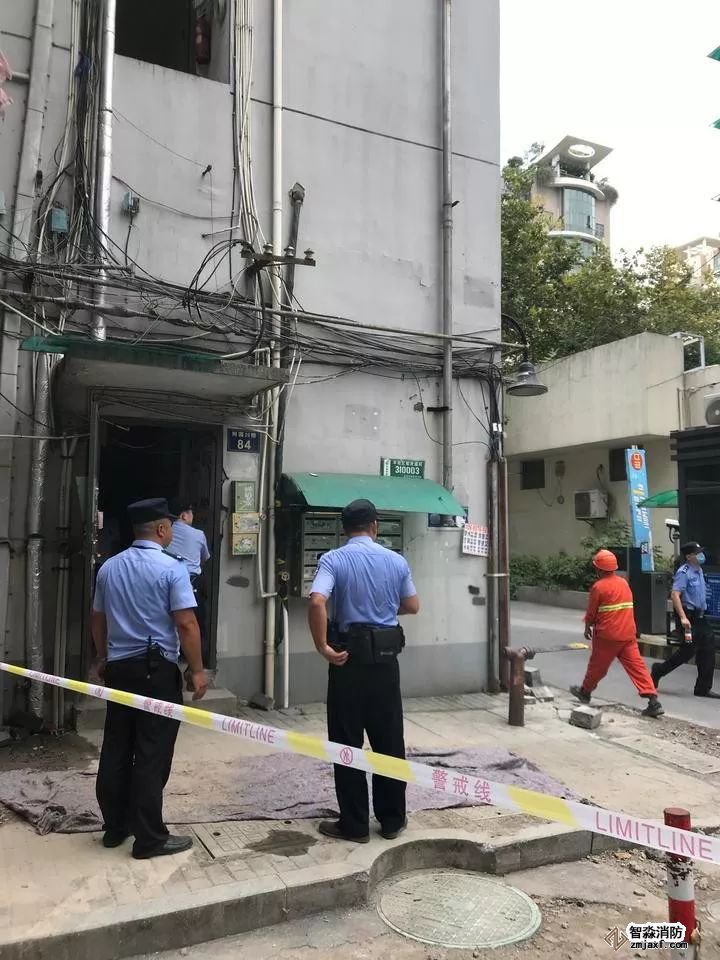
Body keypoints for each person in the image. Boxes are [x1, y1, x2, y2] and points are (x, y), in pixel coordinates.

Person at [92, 498, 208, 860]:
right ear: (161, 529)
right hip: (155, 671)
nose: (172, 531)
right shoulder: (172, 568)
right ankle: (149, 838)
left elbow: (98, 618)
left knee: (117, 744)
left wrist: (103, 657)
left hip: (120, 668)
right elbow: (186, 623)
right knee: (151, 751)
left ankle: (115, 826)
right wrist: (198, 670)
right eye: (170, 526)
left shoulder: (109, 568)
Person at [308, 499, 419, 843]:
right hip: (385, 662)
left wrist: (322, 646)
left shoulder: (333, 560)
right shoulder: (396, 561)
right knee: (389, 739)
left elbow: (317, 600)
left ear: (344, 529)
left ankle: (354, 824)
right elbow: (412, 605)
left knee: (346, 742)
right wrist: (384, 607)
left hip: (347, 660)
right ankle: (392, 820)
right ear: (374, 526)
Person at [570, 549, 663, 718]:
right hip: (628, 634)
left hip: (608, 636)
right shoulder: (623, 583)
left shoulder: (599, 587)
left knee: (597, 666)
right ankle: (653, 701)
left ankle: (585, 692)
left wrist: (587, 626)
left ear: (599, 569)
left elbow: (592, 612)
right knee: (637, 667)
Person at [651, 542, 719, 699]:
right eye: (697, 553)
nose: (701, 555)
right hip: (688, 616)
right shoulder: (684, 572)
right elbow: (675, 595)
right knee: (687, 651)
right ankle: (658, 671)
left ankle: (703, 688)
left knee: (708, 648)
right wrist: (682, 617)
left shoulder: (699, 570)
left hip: (701, 616)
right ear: (689, 556)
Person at [168, 499, 211, 666]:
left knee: (171, 621)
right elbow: (204, 558)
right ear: (184, 515)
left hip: (167, 583)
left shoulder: (165, 533)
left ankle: (174, 655)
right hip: (192, 583)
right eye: (191, 513)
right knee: (195, 623)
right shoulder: (198, 535)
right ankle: (194, 664)